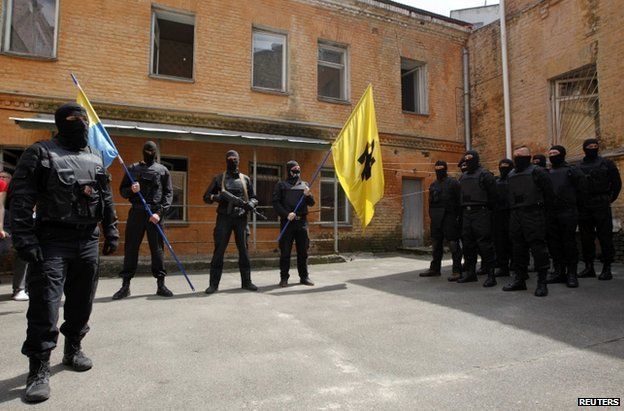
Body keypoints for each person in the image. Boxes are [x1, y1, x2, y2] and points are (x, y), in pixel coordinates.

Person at [9, 103, 119, 402]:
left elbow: (105, 196)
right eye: (74, 119)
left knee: (82, 300)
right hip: (52, 240)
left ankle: (73, 348)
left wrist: (111, 229)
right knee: (45, 305)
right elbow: (19, 200)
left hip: (87, 240)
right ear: (60, 123)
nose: (82, 123)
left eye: (84, 119)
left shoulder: (95, 157)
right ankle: (39, 368)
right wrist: (24, 239)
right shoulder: (41, 153)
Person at [112, 141, 174, 300]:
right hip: (137, 213)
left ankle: (161, 284)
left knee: (158, 250)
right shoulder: (133, 169)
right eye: (146, 150)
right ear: (142, 151)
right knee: (131, 248)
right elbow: (122, 191)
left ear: (156, 152)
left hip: (155, 214)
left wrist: (160, 214)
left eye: (152, 150)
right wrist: (131, 190)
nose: (149, 153)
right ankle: (125, 285)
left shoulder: (163, 170)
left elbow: (168, 194)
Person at [203, 150, 259, 294]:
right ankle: (213, 284)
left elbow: (254, 197)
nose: (232, 160)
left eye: (235, 158)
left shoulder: (245, 179)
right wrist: (218, 198)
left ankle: (247, 282)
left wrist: (251, 204)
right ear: (226, 160)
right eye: (230, 158)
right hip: (224, 219)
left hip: (241, 219)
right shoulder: (219, 178)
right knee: (219, 252)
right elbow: (206, 197)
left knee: (244, 252)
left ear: (238, 160)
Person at [503, 146, 554, 296]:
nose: (517, 157)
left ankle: (542, 282)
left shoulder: (538, 171)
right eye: (515, 155)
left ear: (528, 157)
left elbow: (549, 195)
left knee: (538, 248)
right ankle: (520, 280)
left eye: (520, 155)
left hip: (534, 213)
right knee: (518, 248)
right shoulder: (511, 174)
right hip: (516, 214)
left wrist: (546, 216)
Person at [577, 139, 621, 280]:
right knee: (586, 237)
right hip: (584, 205)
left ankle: (606, 267)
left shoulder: (607, 164)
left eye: (595, 146)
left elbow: (617, 184)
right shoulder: (578, 166)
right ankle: (589, 267)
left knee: (605, 236)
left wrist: (609, 199)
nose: (593, 148)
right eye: (590, 147)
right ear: (584, 148)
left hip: (601, 204)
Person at [545, 145, 586, 287]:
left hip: (568, 211)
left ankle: (572, 274)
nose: (552, 155)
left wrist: (576, 208)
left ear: (562, 154)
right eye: (550, 153)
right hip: (551, 213)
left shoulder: (572, 170)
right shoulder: (547, 172)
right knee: (554, 245)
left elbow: (582, 191)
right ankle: (558, 272)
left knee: (569, 243)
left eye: (555, 153)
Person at [457, 150, 498, 286]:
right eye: (466, 159)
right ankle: (470, 273)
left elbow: (494, 196)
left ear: (476, 159)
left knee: (485, 245)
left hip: (481, 212)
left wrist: (487, 212)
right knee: (468, 245)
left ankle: (491, 275)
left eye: (470, 159)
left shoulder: (485, 175)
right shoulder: (463, 177)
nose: (467, 161)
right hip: (466, 214)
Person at [272, 160, 315, 287]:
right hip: (287, 223)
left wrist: (308, 195)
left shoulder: (305, 185)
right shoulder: (281, 185)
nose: (296, 173)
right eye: (294, 170)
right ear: (289, 171)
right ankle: (284, 278)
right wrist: (286, 214)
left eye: (298, 170)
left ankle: (304, 277)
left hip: (301, 222)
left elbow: (311, 203)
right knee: (285, 252)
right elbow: (275, 203)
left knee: (303, 252)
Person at [421, 160, 462, 281]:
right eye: (437, 168)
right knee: (436, 244)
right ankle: (435, 269)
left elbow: (460, 202)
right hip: (436, 218)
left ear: (445, 169)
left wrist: (458, 218)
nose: (438, 170)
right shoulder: (433, 184)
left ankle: (457, 270)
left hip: (450, 217)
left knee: (453, 244)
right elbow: (430, 202)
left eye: (441, 168)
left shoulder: (453, 183)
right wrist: (432, 217)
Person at [0, 171, 29, 300]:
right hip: (7, 229)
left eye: (4, 177)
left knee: (23, 251)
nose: (1, 179)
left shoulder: (17, 193)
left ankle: (21, 288)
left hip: (13, 229)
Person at [493, 159, 514, 277]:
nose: (503, 168)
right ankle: (503, 267)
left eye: (506, 166)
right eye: (501, 166)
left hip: (512, 213)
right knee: (500, 242)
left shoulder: (515, 179)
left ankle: (516, 265)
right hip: (499, 215)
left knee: (514, 241)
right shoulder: (497, 181)